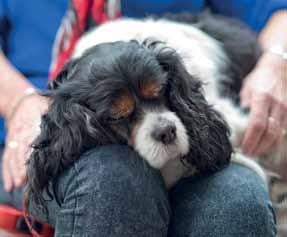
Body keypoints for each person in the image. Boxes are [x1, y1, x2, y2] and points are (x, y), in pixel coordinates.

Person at [0, 0, 286, 236]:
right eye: (124, 115)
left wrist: (276, 62)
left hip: (190, 108)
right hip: (53, 128)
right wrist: (18, 101)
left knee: (237, 202)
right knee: (114, 183)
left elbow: (278, 11)